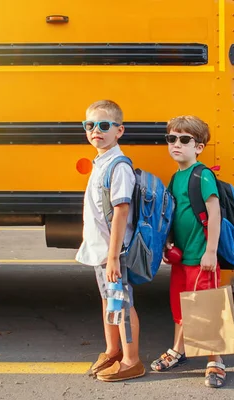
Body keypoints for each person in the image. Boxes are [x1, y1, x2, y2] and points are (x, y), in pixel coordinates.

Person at [151, 115, 226, 388]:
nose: (176, 144)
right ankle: (178, 350)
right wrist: (169, 240)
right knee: (181, 307)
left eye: (184, 139)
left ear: (199, 147)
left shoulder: (202, 174)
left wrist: (211, 251)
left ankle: (215, 360)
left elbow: (214, 214)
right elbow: (173, 214)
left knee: (206, 309)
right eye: (171, 139)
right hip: (182, 258)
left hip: (202, 257)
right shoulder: (176, 177)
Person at [75, 100, 145, 382]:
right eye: (90, 125)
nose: (96, 131)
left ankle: (132, 360)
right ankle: (113, 350)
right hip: (101, 249)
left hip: (114, 251)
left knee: (122, 302)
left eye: (104, 125)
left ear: (120, 130)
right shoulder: (101, 161)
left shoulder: (118, 166)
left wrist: (114, 256)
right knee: (109, 301)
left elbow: (121, 211)